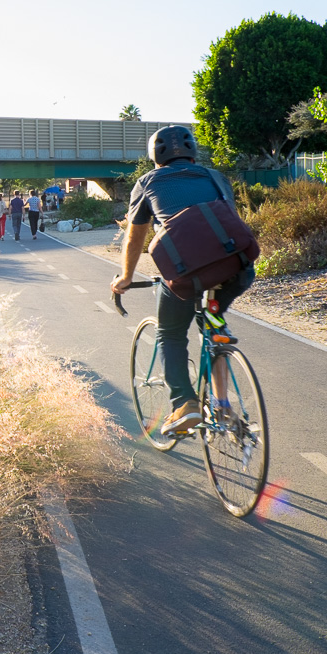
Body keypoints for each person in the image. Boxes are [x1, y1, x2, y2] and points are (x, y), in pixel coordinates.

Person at [109, 125, 255, 435]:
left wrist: (125, 277)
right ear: (193, 151)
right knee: (212, 320)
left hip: (187, 276)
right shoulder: (216, 177)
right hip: (236, 267)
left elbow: (135, 237)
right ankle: (221, 404)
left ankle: (184, 404)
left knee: (170, 333)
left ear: (155, 155)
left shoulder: (147, 183)